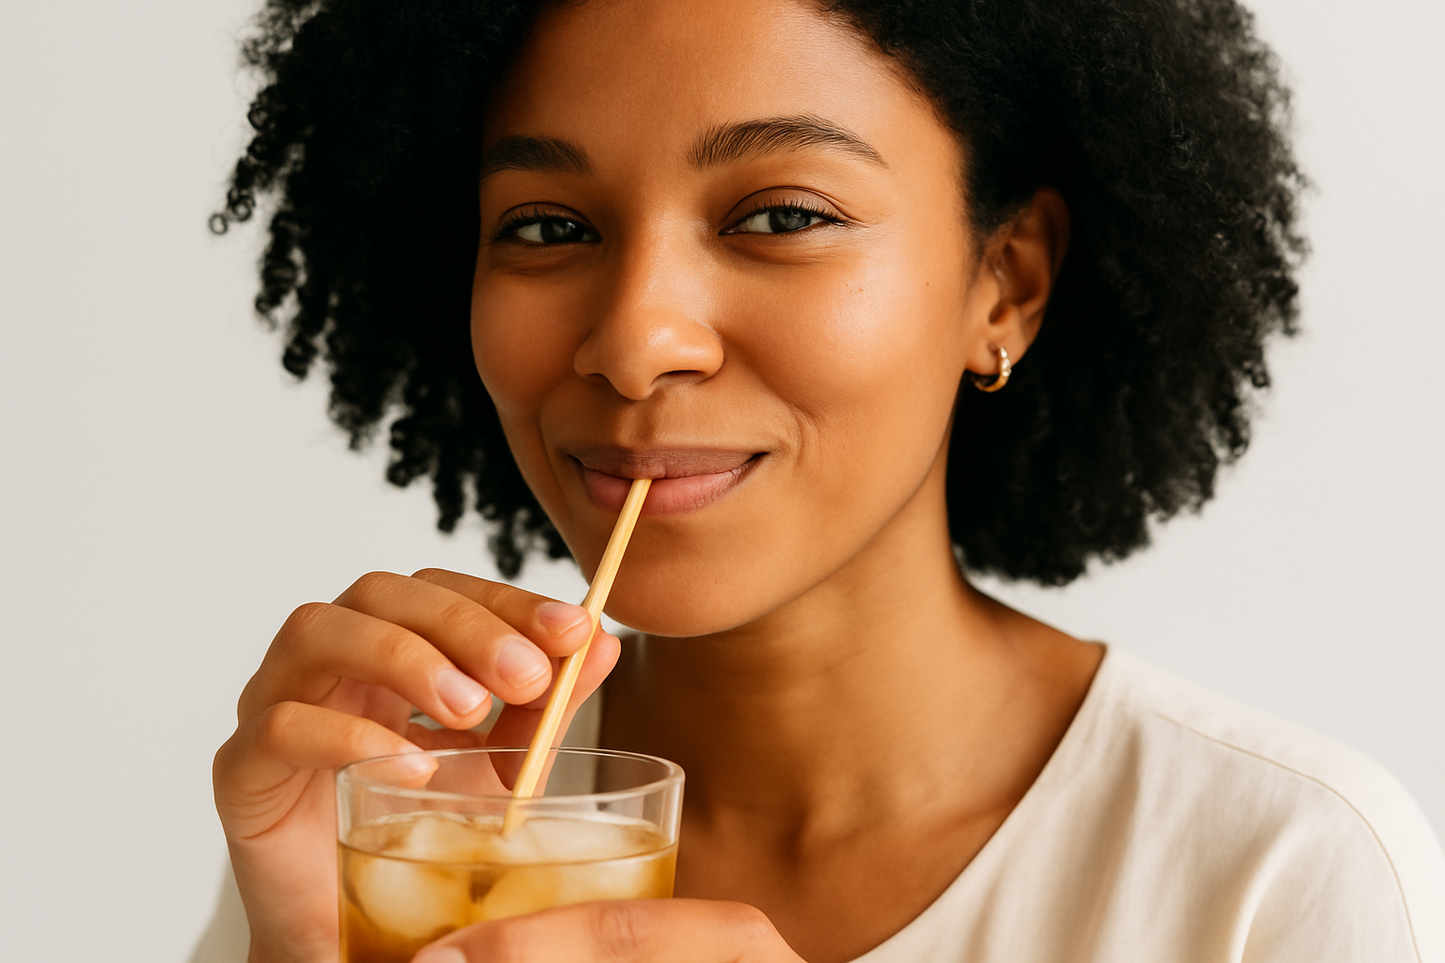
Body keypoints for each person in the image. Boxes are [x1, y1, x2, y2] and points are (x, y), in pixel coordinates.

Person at [194, 0, 1445, 961]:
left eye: (782, 215)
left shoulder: (1274, 873)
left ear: (1003, 280)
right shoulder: (413, 829)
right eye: (546, 227)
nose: (636, 339)